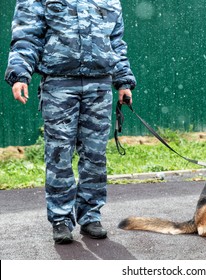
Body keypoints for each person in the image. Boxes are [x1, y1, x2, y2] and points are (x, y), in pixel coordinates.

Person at [4, 0, 136, 244]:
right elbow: (26, 36)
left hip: (99, 85)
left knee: (95, 155)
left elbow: (116, 42)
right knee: (59, 154)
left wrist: (123, 80)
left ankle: (90, 216)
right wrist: (20, 74)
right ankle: (61, 219)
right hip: (59, 84)